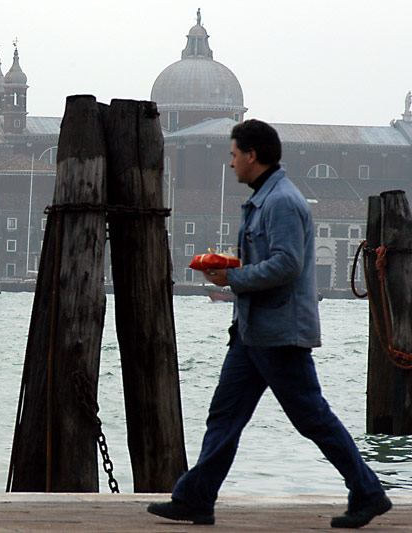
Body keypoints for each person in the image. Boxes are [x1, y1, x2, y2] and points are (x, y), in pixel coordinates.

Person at [148, 119, 391, 529]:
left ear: (252, 156)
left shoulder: (282, 202)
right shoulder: (266, 198)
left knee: (312, 417)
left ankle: (367, 492)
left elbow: (287, 263)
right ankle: (195, 498)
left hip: (279, 334)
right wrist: (232, 268)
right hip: (252, 332)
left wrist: (234, 278)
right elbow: (273, 260)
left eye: (233, 155)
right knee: (224, 417)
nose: (230, 164)